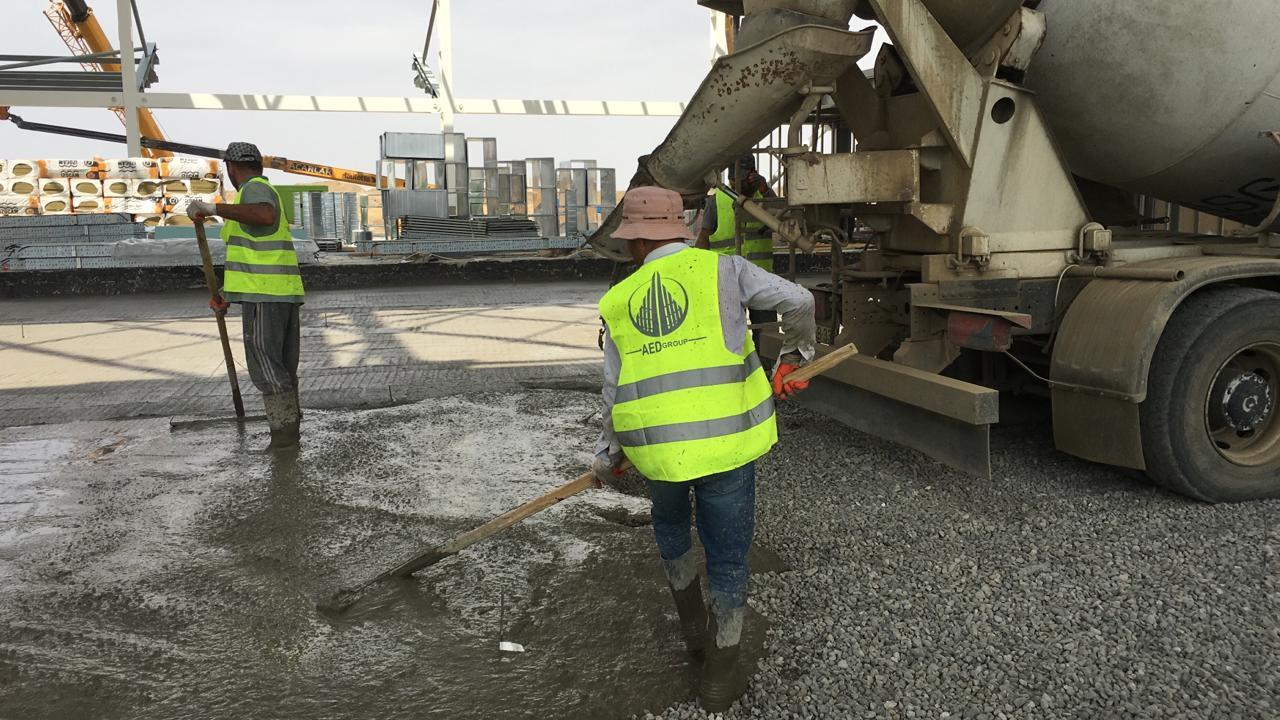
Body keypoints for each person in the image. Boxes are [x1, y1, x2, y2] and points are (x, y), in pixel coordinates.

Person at [593, 186, 815, 712]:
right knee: (728, 557)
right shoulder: (725, 270)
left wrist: (611, 453)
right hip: (727, 446)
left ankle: (693, 633)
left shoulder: (618, 300)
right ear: (681, 229)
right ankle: (719, 675)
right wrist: (795, 358)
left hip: (660, 454)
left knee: (672, 534)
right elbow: (800, 300)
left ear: (635, 243)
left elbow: (613, 391)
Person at [187, 142, 304, 451]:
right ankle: (290, 432)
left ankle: (284, 440)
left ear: (231, 168)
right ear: (259, 164)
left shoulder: (253, 189)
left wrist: (212, 208)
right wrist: (225, 293)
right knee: (281, 368)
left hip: (265, 295)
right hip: (277, 293)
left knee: (267, 367)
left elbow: (264, 215)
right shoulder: (257, 191)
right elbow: (252, 255)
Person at [695, 153, 780, 353]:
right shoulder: (717, 200)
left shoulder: (765, 197)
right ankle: (736, 366)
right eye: (734, 179)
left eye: (742, 179)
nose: (736, 184)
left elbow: (784, 217)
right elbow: (703, 239)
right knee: (730, 334)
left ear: (753, 175)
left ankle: (767, 365)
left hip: (761, 279)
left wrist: (765, 189)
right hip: (728, 280)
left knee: (766, 333)